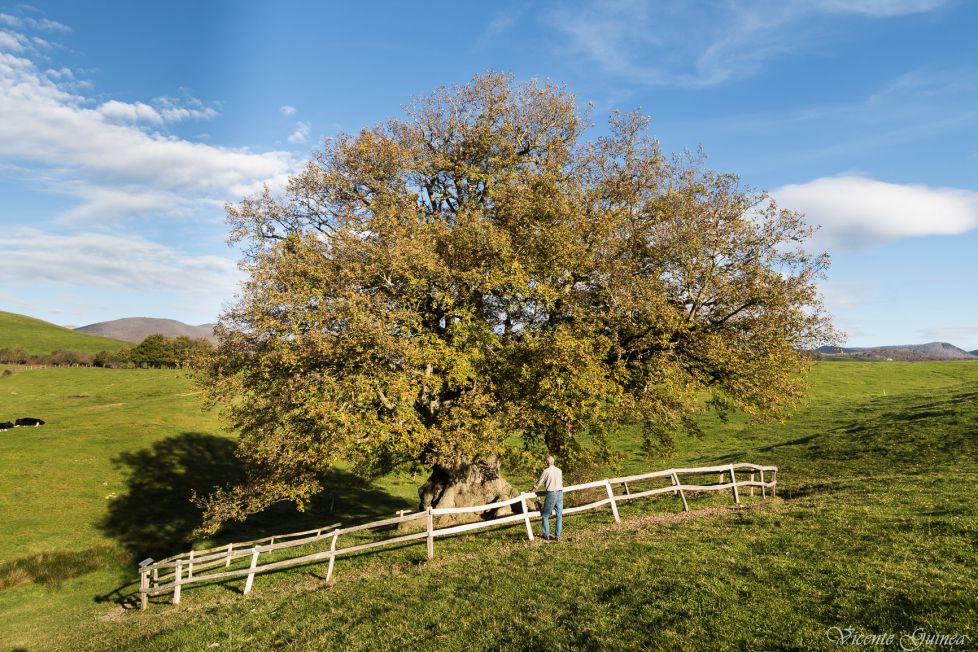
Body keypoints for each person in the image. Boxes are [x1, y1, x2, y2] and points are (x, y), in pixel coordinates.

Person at [533, 455, 563, 541]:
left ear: (547, 462)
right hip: (560, 493)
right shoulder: (559, 470)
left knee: (545, 515)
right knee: (559, 515)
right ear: (553, 461)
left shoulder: (546, 471)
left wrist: (533, 489)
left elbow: (540, 482)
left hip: (552, 494)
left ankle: (546, 534)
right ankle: (557, 536)